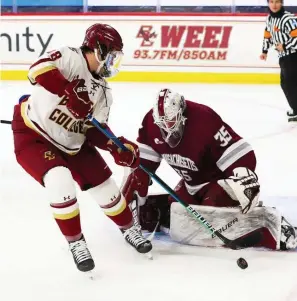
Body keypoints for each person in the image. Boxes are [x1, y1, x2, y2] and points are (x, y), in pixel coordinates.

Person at [11, 23, 152, 273]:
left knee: (108, 190)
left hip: (73, 142)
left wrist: (116, 146)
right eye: (111, 55)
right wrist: (68, 91)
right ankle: (76, 243)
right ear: (98, 48)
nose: (112, 62)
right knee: (59, 179)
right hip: (35, 135)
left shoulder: (105, 92)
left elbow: (94, 129)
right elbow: (36, 70)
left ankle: (130, 229)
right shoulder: (70, 58)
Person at [123, 88, 297, 251]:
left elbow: (239, 152)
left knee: (211, 205)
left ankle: (270, 225)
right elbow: (143, 166)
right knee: (175, 208)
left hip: (218, 181)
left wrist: (243, 176)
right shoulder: (150, 124)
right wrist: (138, 192)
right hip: (192, 183)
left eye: (171, 121)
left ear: (181, 113)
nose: (167, 129)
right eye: (162, 124)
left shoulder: (203, 120)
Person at [260, 0, 297, 122]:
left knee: (290, 84)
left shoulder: (287, 18)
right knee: (286, 84)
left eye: (277, 2)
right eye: (271, 2)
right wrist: (264, 51)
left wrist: (285, 46)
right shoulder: (270, 19)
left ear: (281, 3)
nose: (274, 5)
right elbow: (268, 36)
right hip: (284, 57)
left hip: (293, 56)